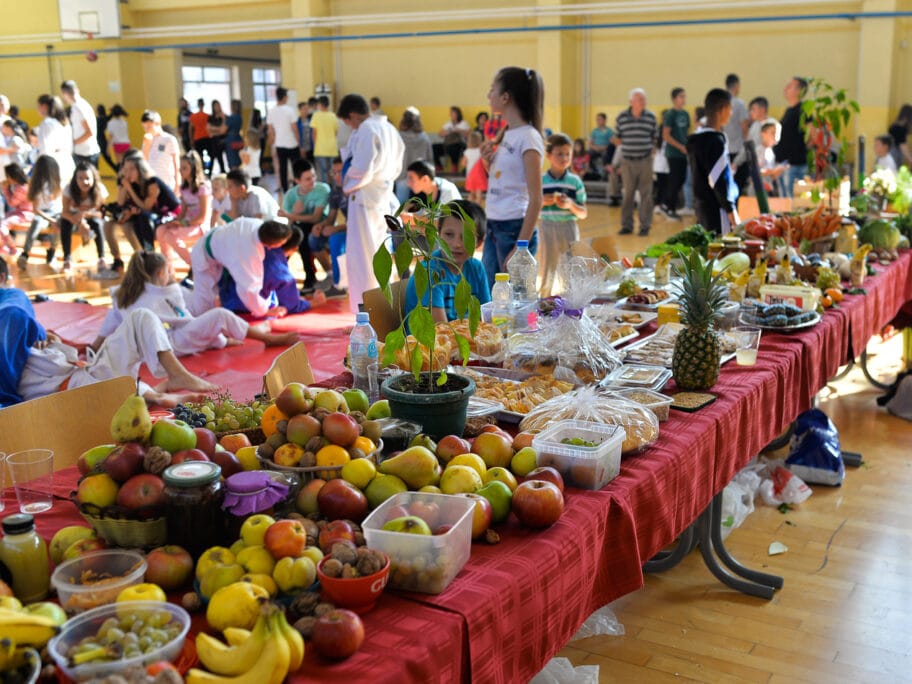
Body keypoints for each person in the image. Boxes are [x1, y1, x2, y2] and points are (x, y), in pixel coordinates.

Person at [0, 261, 216, 409]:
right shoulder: (11, 318)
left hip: (86, 374)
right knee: (108, 389)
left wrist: (48, 338)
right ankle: (156, 395)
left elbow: (17, 316)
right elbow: (14, 317)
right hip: (72, 394)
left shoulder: (12, 307)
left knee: (141, 317)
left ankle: (174, 377)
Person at [95, 250, 299, 356]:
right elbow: (187, 323)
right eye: (168, 271)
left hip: (144, 351)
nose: (170, 275)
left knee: (210, 321)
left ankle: (257, 331)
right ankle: (266, 338)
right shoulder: (167, 292)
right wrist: (221, 341)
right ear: (159, 273)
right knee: (219, 315)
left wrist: (94, 348)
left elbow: (109, 325)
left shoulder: (123, 294)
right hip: (169, 348)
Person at [336, 93, 404, 314]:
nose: (350, 127)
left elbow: (362, 169)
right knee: (378, 253)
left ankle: (366, 312)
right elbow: (397, 167)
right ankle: (382, 307)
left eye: (348, 122)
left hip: (363, 197)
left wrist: (346, 184)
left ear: (353, 115)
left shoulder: (367, 128)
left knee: (363, 259)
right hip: (382, 195)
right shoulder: (390, 128)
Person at [481, 66, 544, 284]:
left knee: (516, 299)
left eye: (492, 89)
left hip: (514, 228)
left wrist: (520, 248)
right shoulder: (507, 133)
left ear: (505, 97)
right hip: (494, 225)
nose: (489, 95)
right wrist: (487, 162)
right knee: (491, 295)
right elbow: (503, 180)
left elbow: (536, 198)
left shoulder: (528, 137)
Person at [404, 199, 491, 323]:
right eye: (449, 234)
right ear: (439, 235)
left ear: (479, 243)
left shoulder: (476, 268)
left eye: (466, 237)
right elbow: (441, 329)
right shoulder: (429, 272)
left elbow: (486, 318)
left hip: (464, 334)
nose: (457, 244)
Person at [186, 216, 292, 318]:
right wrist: (264, 311)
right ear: (272, 245)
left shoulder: (258, 224)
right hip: (204, 254)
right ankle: (189, 320)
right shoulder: (248, 253)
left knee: (212, 297)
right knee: (204, 301)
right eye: (282, 243)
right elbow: (248, 289)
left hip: (219, 245)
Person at [220, 226, 321, 314]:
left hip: (226, 298)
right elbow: (291, 305)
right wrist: (313, 303)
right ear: (295, 249)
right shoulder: (278, 268)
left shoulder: (254, 246)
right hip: (245, 307)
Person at [539, 133, 587, 298]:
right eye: (559, 154)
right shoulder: (541, 181)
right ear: (548, 155)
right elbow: (530, 206)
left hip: (569, 227)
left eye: (568, 154)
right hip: (547, 227)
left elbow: (583, 213)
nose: (564, 158)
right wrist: (542, 201)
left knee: (571, 266)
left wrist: (570, 205)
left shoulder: (575, 182)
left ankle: (571, 301)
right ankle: (544, 300)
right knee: (547, 268)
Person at [688, 88, 739, 236]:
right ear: (721, 110)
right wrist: (731, 210)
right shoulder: (715, 141)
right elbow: (719, 180)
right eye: (730, 109)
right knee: (720, 246)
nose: (731, 113)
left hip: (701, 206)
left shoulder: (697, 139)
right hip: (717, 210)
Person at [278, 158, 330, 294]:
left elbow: (316, 217)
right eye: (307, 179)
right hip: (301, 227)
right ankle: (279, 278)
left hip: (320, 225)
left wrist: (293, 215)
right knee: (287, 240)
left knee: (303, 234)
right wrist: (294, 214)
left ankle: (310, 277)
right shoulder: (290, 195)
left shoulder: (322, 189)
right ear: (297, 181)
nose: (312, 180)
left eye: (313, 176)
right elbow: (289, 223)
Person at [613, 88, 657, 236]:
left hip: (645, 160)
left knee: (646, 194)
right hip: (628, 162)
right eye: (639, 99)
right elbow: (616, 138)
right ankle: (627, 225)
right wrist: (626, 150)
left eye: (644, 99)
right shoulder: (621, 117)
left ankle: (645, 226)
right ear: (631, 102)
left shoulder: (651, 117)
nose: (643, 102)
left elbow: (655, 137)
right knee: (628, 195)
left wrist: (652, 151)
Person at [157, 150, 210, 267]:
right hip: (188, 223)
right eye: (180, 168)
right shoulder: (184, 189)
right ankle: (167, 267)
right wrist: (175, 222)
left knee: (170, 236)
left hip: (200, 226)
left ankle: (194, 264)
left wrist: (183, 223)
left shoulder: (202, 188)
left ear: (193, 168)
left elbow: (202, 218)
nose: (181, 171)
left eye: (184, 168)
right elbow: (183, 213)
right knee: (161, 230)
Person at [116, 154, 182, 249]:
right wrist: (124, 186)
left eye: (132, 169)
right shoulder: (133, 183)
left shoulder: (152, 182)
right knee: (136, 219)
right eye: (126, 169)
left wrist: (129, 188)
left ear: (140, 169)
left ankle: (149, 250)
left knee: (143, 217)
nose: (128, 173)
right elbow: (120, 202)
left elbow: (146, 207)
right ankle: (145, 250)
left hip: (172, 214)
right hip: (155, 214)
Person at [58, 160, 108, 273]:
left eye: (87, 178)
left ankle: (102, 258)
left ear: (94, 178)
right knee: (65, 224)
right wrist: (80, 223)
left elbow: (102, 213)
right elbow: (64, 212)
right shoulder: (68, 190)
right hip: (73, 219)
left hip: (92, 218)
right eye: (80, 178)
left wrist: (85, 215)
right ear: (75, 179)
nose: (84, 182)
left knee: (97, 224)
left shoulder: (100, 190)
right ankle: (67, 259)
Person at [309, 158, 348, 299]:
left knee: (336, 238)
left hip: (363, 231)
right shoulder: (336, 191)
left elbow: (361, 223)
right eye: (334, 173)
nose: (337, 176)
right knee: (314, 238)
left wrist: (337, 229)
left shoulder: (358, 191)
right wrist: (321, 225)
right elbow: (331, 218)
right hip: (348, 228)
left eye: (340, 172)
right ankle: (331, 274)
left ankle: (340, 284)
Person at [18, 156, 62, 267]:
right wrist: (50, 219)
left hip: (56, 213)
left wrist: (55, 219)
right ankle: (25, 253)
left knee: (59, 224)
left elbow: (59, 206)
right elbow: (36, 210)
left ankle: (52, 251)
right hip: (43, 214)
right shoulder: (37, 187)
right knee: (37, 222)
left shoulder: (57, 185)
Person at [774, 76, 810, 198]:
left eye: (790, 86)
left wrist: (801, 150)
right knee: (785, 201)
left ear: (799, 91)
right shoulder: (789, 110)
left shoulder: (803, 110)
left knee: (794, 201)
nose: (786, 89)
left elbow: (813, 135)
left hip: (794, 165)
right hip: (784, 164)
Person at [659, 87, 690, 220]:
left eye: (684, 96)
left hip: (683, 153)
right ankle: (669, 207)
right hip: (673, 153)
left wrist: (687, 146)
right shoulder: (670, 114)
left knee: (681, 179)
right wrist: (680, 147)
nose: (683, 99)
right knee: (675, 179)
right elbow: (666, 135)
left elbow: (686, 133)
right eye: (681, 96)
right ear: (674, 99)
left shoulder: (686, 114)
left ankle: (666, 204)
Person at [396, 107, 434, 204]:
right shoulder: (424, 137)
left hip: (402, 176)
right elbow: (430, 158)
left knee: (401, 207)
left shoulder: (398, 137)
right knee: (421, 208)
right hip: (420, 177)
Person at [267, 87, 301, 194]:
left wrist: (273, 142)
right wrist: (299, 141)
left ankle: (285, 190)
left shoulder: (271, 111)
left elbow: (271, 131)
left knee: (282, 168)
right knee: (296, 167)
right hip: (292, 144)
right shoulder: (290, 110)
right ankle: (296, 188)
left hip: (279, 144)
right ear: (285, 97)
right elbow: (295, 128)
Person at [60, 80, 100, 168]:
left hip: (85, 154)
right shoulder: (83, 104)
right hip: (86, 151)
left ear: (64, 94)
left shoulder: (77, 108)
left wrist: (72, 142)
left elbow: (89, 132)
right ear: (77, 90)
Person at [36, 94, 75, 186]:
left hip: (52, 165)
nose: (37, 109)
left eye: (38, 106)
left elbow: (44, 149)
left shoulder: (46, 123)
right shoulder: (65, 122)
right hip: (67, 162)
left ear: (44, 106)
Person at [140, 110, 181, 194]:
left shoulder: (169, 139)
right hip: (152, 185)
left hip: (167, 184)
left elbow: (176, 165)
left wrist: (177, 185)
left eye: (149, 127)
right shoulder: (147, 140)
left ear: (157, 123)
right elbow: (144, 163)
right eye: (145, 127)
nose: (147, 130)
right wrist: (146, 146)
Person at [723, 74, 750, 192]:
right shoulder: (739, 104)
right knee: (738, 182)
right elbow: (744, 126)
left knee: (725, 182)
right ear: (737, 86)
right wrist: (748, 142)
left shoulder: (720, 103)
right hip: (738, 148)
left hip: (724, 149)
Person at [1, 163, 32, 254]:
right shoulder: (23, 184)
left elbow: (11, 203)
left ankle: (12, 247)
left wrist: (5, 188)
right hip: (21, 213)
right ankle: (4, 247)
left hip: (25, 215)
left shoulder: (21, 188)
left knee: (2, 226)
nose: (7, 179)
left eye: (7, 176)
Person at [310, 95, 339, 184]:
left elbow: (314, 133)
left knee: (323, 172)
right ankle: (335, 189)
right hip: (332, 148)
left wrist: (315, 145)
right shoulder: (333, 116)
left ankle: (325, 190)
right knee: (334, 172)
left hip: (320, 149)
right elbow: (336, 132)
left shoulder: (316, 115)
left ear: (319, 104)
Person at [759, 121, 788, 197]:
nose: (775, 136)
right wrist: (774, 171)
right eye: (772, 133)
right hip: (760, 190)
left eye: (777, 133)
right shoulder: (759, 151)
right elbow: (759, 172)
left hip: (770, 188)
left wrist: (778, 170)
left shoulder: (771, 151)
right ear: (763, 134)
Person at [440, 106, 470, 173]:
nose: (451, 115)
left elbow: (469, 134)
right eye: (451, 113)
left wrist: (459, 130)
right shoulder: (448, 124)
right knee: (435, 148)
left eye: (453, 113)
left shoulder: (464, 123)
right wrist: (448, 132)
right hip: (448, 143)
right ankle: (439, 166)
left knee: (454, 147)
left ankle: (454, 165)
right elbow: (440, 134)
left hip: (461, 144)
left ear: (458, 114)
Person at [207, 100, 228, 176]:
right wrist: (219, 130)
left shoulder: (224, 116)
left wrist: (214, 130)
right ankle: (210, 173)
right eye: (215, 106)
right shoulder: (211, 117)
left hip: (222, 140)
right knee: (214, 156)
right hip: (214, 141)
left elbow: (224, 130)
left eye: (218, 105)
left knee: (223, 157)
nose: (217, 107)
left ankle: (223, 171)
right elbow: (209, 129)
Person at [589, 112, 614, 178]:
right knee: (588, 155)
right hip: (595, 149)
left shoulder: (609, 131)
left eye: (600, 119)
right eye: (597, 119)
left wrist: (603, 148)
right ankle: (595, 172)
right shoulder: (594, 131)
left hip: (605, 149)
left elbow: (612, 144)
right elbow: (590, 144)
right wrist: (595, 148)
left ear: (604, 120)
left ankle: (605, 174)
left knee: (606, 155)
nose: (598, 121)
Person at [190, 99, 210, 174]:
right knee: (202, 156)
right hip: (204, 138)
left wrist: (191, 139)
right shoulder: (206, 116)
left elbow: (190, 129)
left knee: (200, 156)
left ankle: (203, 169)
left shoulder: (195, 116)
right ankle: (204, 169)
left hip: (200, 138)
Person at [888, 104, 912, 169]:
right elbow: (903, 146)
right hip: (894, 156)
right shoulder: (900, 129)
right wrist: (910, 159)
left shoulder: (893, 126)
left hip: (889, 154)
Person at [94, 104, 117, 172]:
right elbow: (111, 115)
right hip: (103, 140)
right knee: (108, 159)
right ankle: (117, 170)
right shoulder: (105, 118)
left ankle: (95, 172)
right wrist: (112, 110)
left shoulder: (98, 119)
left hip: (98, 140)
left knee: (95, 158)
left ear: (98, 111)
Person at [225, 99, 244, 169]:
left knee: (233, 162)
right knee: (239, 161)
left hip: (231, 141)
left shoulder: (231, 118)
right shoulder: (240, 117)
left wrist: (212, 129)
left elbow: (223, 130)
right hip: (239, 139)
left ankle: (235, 175)